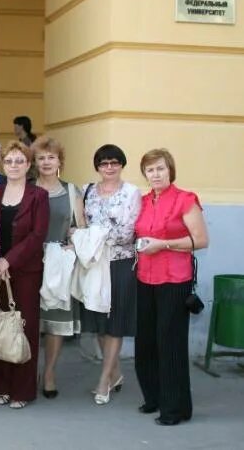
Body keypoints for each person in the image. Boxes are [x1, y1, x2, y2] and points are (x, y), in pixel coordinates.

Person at [134, 149, 208, 426]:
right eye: (150, 170)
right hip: (144, 278)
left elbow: (200, 240)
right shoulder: (141, 202)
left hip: (174, 280)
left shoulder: (185, 200)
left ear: (170, 171)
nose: (155, 174)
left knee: (170, 345)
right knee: (146, 343)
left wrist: (163, 244)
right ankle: (154, 398)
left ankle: (175, 409)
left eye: (160, 169)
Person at [0, 141, 48, 409]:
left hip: (25, 271)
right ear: (3, 164)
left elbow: (37, 235)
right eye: (9, 161)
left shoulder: (38, 195)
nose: (14, 165)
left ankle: (22, 390)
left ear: (28, 165)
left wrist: (9, 261)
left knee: (24, 327)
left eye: (19, 161)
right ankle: (2, 386)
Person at [81, 144, 141, 405]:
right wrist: (87, 238)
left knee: (115, 322)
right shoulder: (87, 191)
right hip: (94, 264)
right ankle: (116, 373)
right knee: (98, 322)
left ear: (121, 165)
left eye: (114, 162)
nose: (109, 167)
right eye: (104, 163)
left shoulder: (131, 193)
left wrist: (92, 236)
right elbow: (79, 226)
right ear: (97, 166)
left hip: (120, 263)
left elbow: (127, 232)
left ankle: (104, 380)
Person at [32, 136, 84, 398]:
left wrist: (72, 247)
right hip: (30, 262)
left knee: (54, 323)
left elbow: (81, 229)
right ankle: (28, 372)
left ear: (59, 161)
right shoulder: (27, 188)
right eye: (41, 157)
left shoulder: (72, 191)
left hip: (58, 264)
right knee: (30, 321)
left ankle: (49, 371)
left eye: (51, 157)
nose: (46, 162)